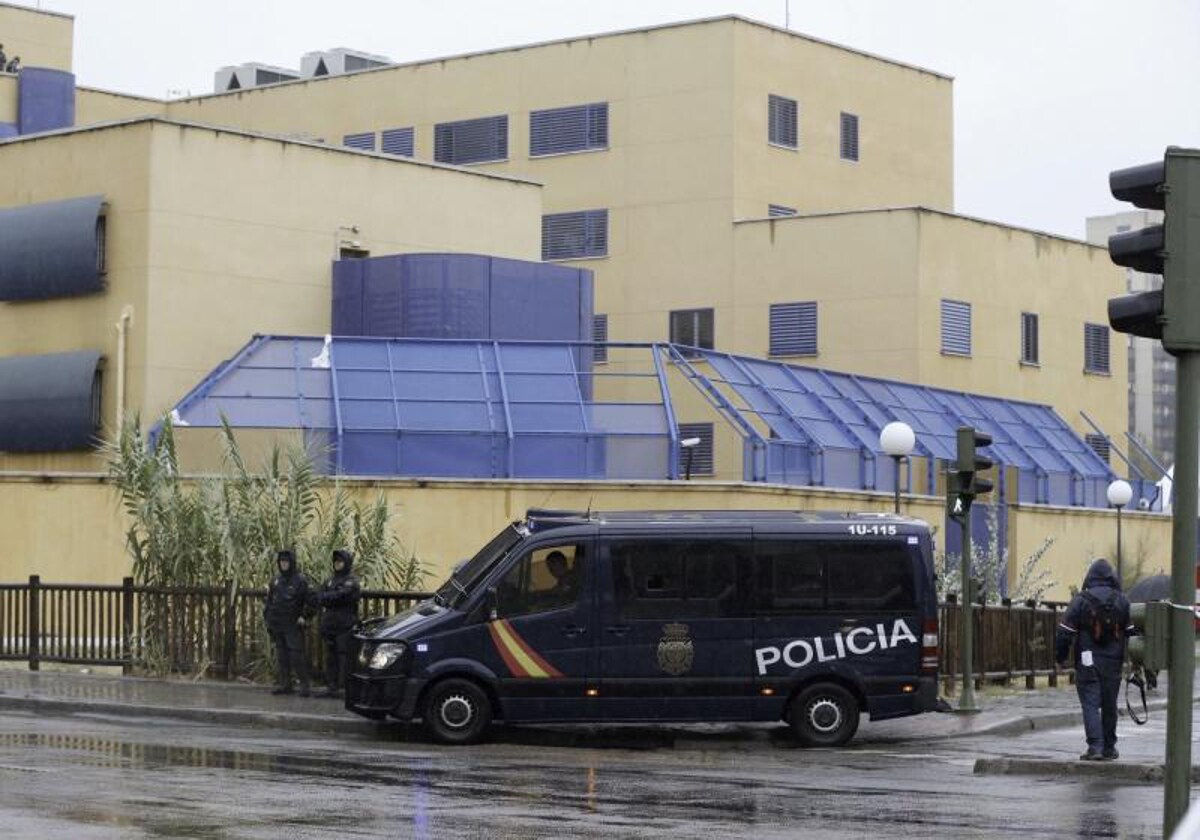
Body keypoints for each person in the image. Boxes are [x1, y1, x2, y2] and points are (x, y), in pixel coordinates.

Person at [1055, 558, 1134, 761]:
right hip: (1114, 662)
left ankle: (1095, 747)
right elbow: (1133, 634)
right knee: (1109, 704)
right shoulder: (1123, 601)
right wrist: (1135, 662)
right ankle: (1109, 747)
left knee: (1090, 703)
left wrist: (1060, 658)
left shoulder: (1081, 600)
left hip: (1087, 660)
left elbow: (1064, 633)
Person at [313, 549, 361, 698]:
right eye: (336, 561)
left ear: (346, 563)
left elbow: (341, 596)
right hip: (330, 625)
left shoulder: (351, 581)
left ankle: (347, 689)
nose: (337, 564)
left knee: (345, 657)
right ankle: (331, 686)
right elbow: (319, 596)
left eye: (340, 561)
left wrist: (329, 597)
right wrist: (329, 597)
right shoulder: (330, 580)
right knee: (331, 657)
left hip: (345, 625)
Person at [264, 549, 312, 697]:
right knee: (282, 656)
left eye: (286, 561)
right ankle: (285, 685)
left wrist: (305, 616)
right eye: (281, 562)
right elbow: (270, 601)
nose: (284, 564)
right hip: (278, 623)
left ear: (292, 563)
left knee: (296, 655)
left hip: (292, 624)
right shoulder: (276, 580)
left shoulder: (300, 580)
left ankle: (304, 685)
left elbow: (311, 600)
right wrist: (268, 619)